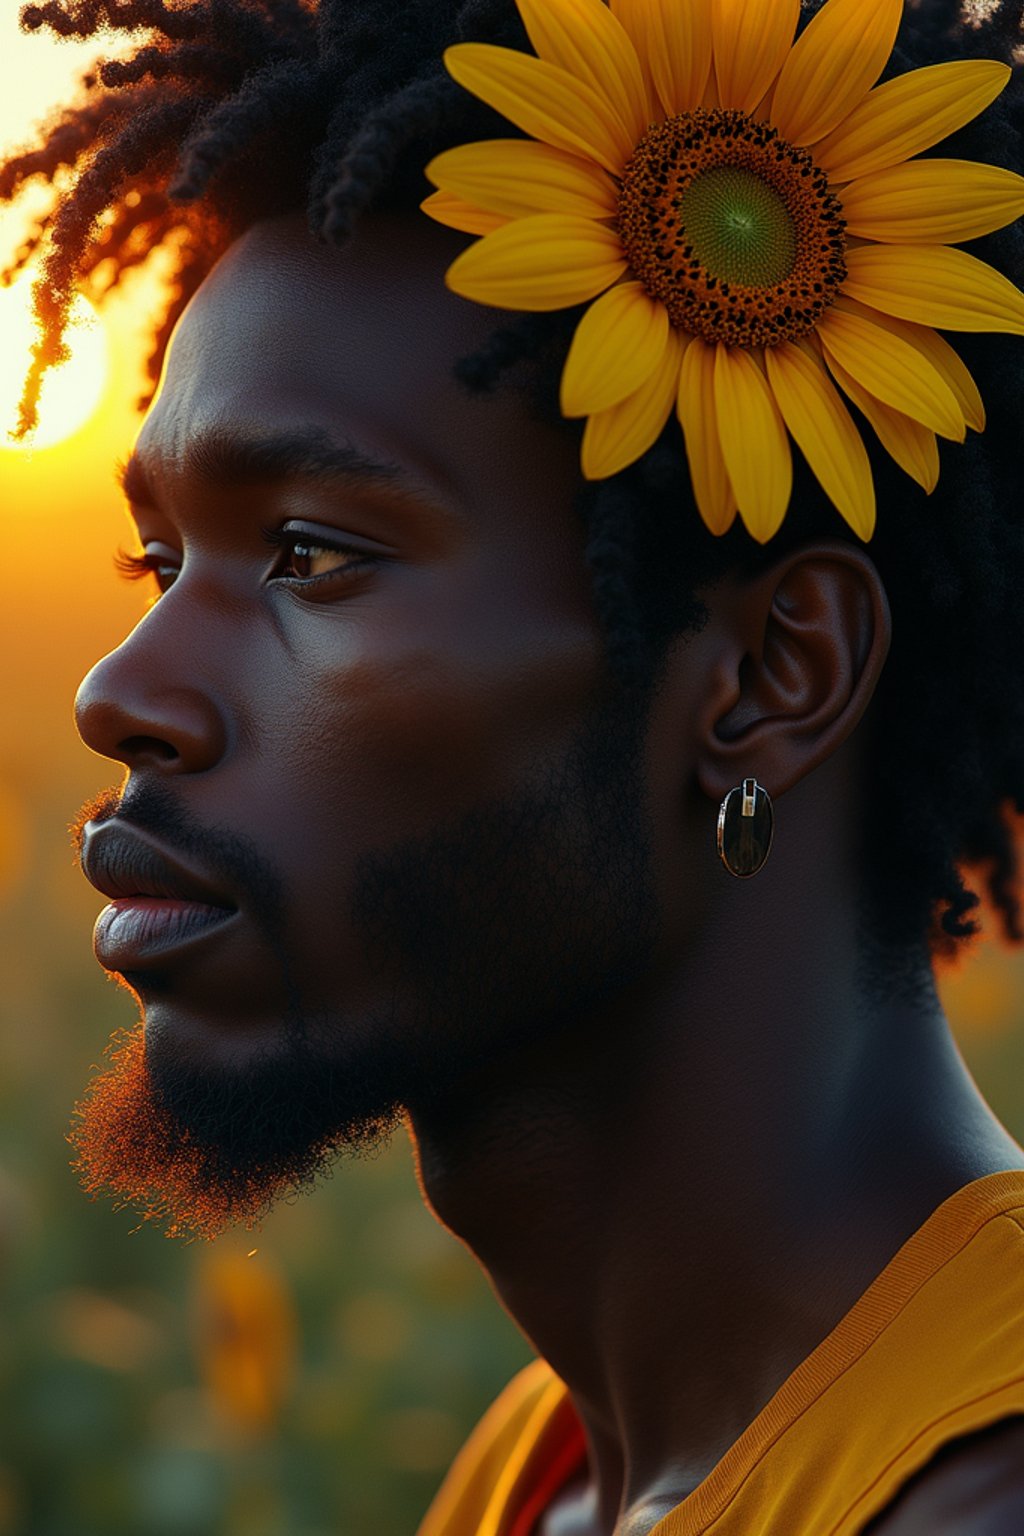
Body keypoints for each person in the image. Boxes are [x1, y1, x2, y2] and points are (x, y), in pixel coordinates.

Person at [5, 0, 1024, 1530]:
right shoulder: (541, 1474)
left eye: (307, 554)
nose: (123, 692)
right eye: (156, 564)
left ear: (769, 676)